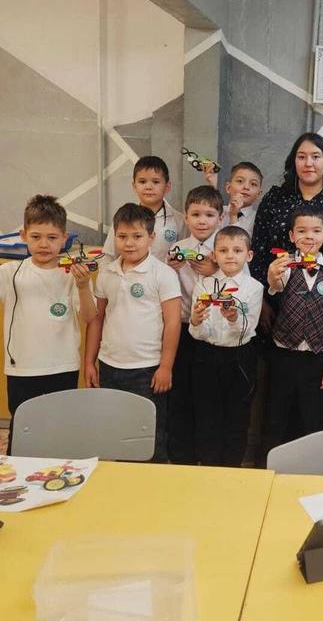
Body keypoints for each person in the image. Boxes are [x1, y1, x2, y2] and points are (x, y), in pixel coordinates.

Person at [0, 194, 97, 453]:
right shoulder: (10, 273)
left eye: (52, 238)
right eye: (36, 236)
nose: (44, 244)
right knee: (23, 431)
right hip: (22, 369)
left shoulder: (72, 273)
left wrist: (84, 286)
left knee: (60, 432)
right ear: (23, 235)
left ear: (65, 238)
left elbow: (89, 316)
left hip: (63, 366)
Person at [85, 203, 181, 462]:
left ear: (151, 237)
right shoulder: (106, 273)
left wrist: (166, 367)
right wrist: (89, 362)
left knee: (150, 436)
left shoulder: (163, 274)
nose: (129, 243)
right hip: (109, 366)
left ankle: (152, 483)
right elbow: (97, 319)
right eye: (122, 236)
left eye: (137, 236)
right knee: (115, 431)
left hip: (147, 370)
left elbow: (173, 323)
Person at [262, 206, 323, 455]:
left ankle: (308, 468)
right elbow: (275, 285)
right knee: (275, 417)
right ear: (291, 235)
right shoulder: (284, 266)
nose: (309, 236)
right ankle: (268, 466)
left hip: (317, 356)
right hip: (284, 354)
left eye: (316, 231)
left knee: (312, 419)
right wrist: (272, 275)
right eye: (302, 231)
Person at [188, 226, 263, 466]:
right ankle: (208, 466)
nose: (230, 255)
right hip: (207, 355)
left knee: (237, 416)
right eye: (223, 250)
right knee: (206, 414)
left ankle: (232, 467)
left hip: (240, 357)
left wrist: (233, 318)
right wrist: (196, 321)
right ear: (214, 255)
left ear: (248, 255)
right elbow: (199, 332)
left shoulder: (254, 288)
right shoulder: (204, 285)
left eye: (237, 250)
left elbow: (247, 330)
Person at [250, 133, 323, 286]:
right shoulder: (274, 199)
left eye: (315, 157)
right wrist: (265, 291)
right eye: (301, 157)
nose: (308, 163)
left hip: (321, 293)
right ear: (294, 161)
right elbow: (258, 250)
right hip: (273, 288)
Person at [168, 185, 224, 464]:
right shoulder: (177, 249)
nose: (202, 221)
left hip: (215, 333)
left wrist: (217, 270)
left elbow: (241, 282)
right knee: (181, 393)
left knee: (209, 397)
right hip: (182, 328)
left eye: (209, 215)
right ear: (186, 217)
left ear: (220, 218)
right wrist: (169, 270)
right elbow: (167, 290)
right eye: (196, 214)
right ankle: (182, 456)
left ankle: (209, 456)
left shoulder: (225, 248)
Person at [101, 156, 187, 262]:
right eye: (142, 182)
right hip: (129, 272)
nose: (148, 187)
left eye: (156, 182)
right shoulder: (123, 218)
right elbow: (109, 256)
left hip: (166, 272)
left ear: (167, 186)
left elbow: (186, 255)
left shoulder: (180, 221)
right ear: (134, 186)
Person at [203, 161, 264, 237]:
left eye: (253, 184)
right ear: (228, 188)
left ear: (259, 194)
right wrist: (212, 185)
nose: (246, 187)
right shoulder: (218, 211)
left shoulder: (258, 220)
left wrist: (233, 216)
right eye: (240, 181)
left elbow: (239, 242)